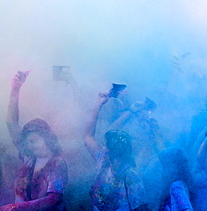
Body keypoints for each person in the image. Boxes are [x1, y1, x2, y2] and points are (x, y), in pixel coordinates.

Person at [1, 71, 68, 211]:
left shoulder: (57, 163)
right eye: (29, 142)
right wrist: (15, 88)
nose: (31, 146)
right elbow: (11, 122)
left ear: (47, 139)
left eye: (34, 141)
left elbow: (53, 199)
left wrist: (17, 207)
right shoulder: (29, 158)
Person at [83, 90, 148, 211]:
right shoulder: (104, 164)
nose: (101, 148)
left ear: (114, 152)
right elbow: (87, 136)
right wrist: (98, 104)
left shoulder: (131, 178)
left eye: (104, 145)